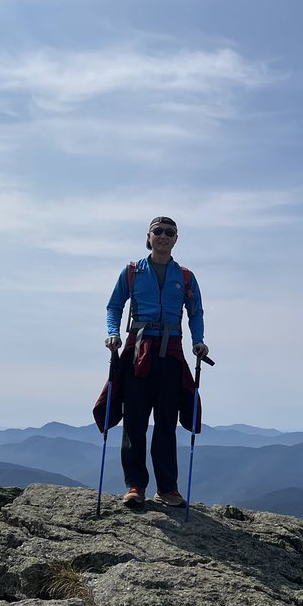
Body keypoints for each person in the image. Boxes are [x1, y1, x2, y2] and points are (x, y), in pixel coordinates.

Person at [105, 216, 209, 508]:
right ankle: (135, 486)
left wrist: (198, 341)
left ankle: (167, 488)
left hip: (171, 351)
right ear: (148, 237)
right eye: (158, 231)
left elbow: (196, 312)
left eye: (170, 233)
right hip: (138, 347)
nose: (164, 236)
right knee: (135, 419)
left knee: (166, 420)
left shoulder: (185, 276)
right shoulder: (132, 272)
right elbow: (114, 306)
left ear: (176, 239)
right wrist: (113, 333)